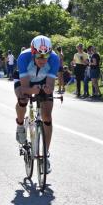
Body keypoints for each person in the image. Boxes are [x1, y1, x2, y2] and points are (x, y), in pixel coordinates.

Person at [14, 35, 60, 173]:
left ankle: (45, 156)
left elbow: (51, 85)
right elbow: (25, 87)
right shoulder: (23, 57)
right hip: (26, 79)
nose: (42, 60)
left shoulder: (54, 59)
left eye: (46, 56)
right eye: (39, 57)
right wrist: (30, 91)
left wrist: (47, 90)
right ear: (33, 53)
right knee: (23, 98)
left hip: (43, 80)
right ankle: (20, 125)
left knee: (47, 117)